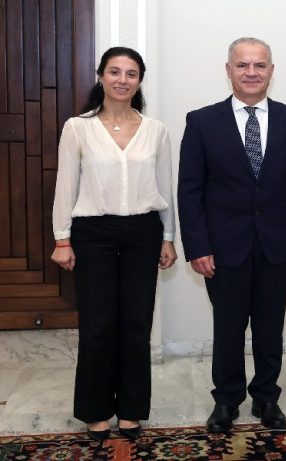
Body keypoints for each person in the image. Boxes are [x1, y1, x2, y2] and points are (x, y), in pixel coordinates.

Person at [177, 37, 286, 433]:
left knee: (270, 328)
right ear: (229, 70)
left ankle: (266, 397)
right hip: (222, 248)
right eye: (242, 65)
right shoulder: (202, 121)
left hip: (279, 245)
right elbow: (190, 190)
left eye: (259, 65)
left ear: (271, 71)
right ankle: (226, 400)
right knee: (228, 327)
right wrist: (198, 246)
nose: (251, 72)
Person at [51, 47, 177, 442]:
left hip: (143, 233)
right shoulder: (78, 128)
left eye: (131, 73)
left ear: (140, 81)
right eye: (115, 71)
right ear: (101, 76)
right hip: (93, 234)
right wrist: (62, 239)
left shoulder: (156, 130)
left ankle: (132, 411)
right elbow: (65, 186)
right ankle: (95, 411)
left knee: (137, 324)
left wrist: (168, 237)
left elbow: (165, 189)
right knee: (98, 324)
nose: (123, 80)